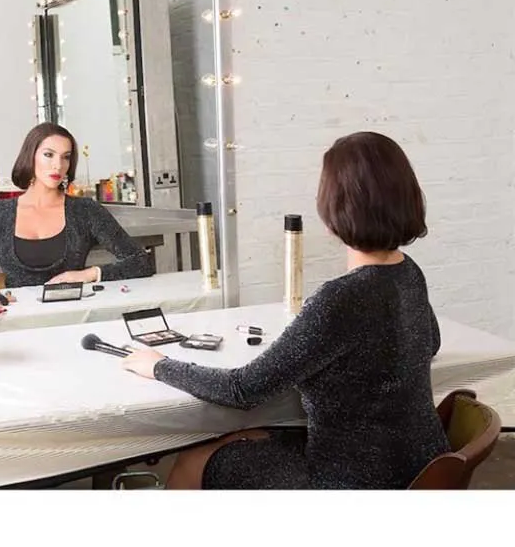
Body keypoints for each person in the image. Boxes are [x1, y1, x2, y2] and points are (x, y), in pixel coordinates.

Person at [122, 131, 450, 489]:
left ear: (334, 211)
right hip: (424, 467)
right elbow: (429, 342)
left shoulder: (340, 298)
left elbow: (241, 390)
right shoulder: (409, 272)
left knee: (193, 460)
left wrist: (159, 365)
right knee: (256, 435)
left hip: (349, 481)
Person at [0, 122, 154, 297]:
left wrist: (87, 274)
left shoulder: (85, 210)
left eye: (66, 157)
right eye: (48, 155)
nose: (58, 165)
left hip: (75, 312)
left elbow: (140, 261)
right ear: (30, 156)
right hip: (20, 314)